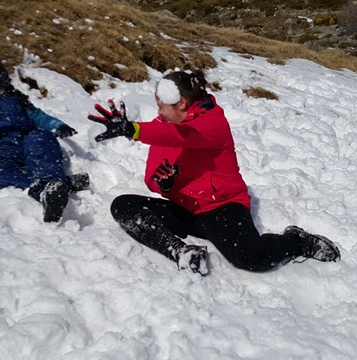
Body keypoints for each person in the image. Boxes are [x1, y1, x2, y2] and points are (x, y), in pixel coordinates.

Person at [89, 70, 340, 276]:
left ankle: (297, 241)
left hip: (222, 208)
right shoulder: (161, 127)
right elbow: (152, 179)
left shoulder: (213, 122)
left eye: (161, 105)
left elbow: (184, 135)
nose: (158, 112)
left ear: (181, 103)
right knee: (123, 206)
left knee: (252, 258)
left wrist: (133, 130)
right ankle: (181, 252)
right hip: (186, 209)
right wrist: (165, 184)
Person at [0, 60, 88, 223]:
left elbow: (38, 116)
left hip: (29, 139)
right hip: (1, 150)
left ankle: (50, 182)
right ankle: (51, 187)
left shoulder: (16, 100)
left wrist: (58, 125)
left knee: (42, 138)